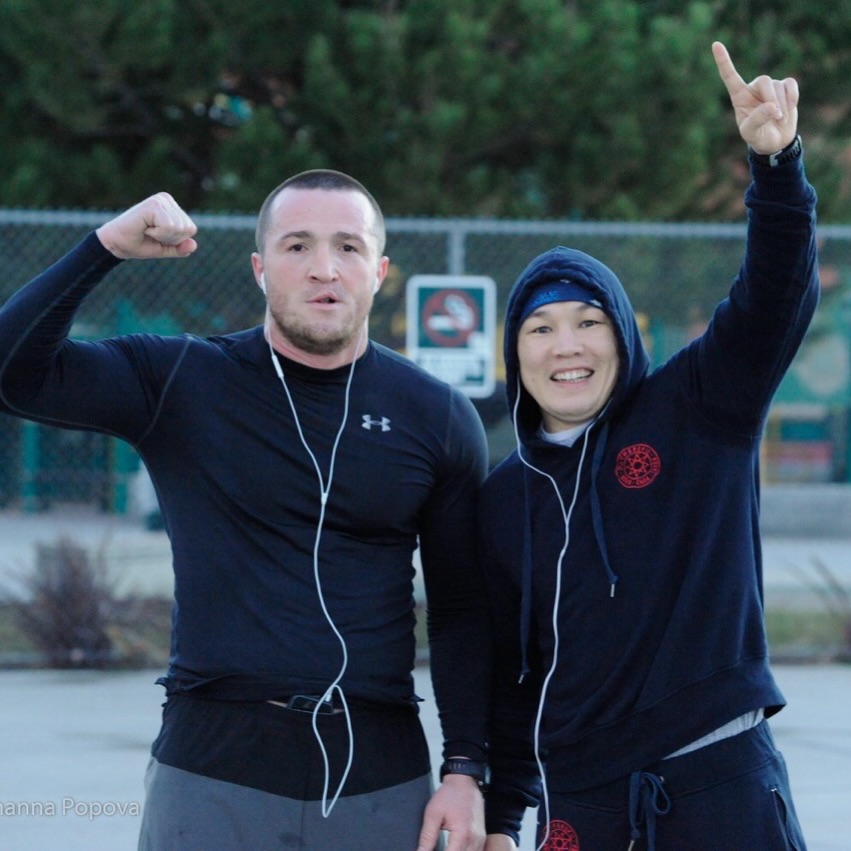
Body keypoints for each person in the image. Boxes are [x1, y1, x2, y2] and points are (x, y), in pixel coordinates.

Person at [0, 170, 491, 850]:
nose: (324, 268)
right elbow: (13, 372)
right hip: (212, 768)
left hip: (378, 774)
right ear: (260, 269)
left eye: (348, 247)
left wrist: (465, 768)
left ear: (379, 272)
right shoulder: (184, 378)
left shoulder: (436, 415)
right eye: (297, 246)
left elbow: (463, 609)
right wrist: (104, 246)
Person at [479, 42, 815, 851]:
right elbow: (515, 672)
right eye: (540, 328)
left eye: (588, 321)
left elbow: (772, 298)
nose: (566, 345)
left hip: (718, 785)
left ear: (623, 335)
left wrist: (775, 168)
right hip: (578, 805)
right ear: (515, 354)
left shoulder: (696, 409)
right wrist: (500, 816)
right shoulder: (502, 497)